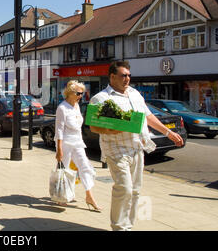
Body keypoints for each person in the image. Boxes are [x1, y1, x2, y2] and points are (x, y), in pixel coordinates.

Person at [89, 61, 184, 231]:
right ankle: (119, 227)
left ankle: (128, 226)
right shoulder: (101, 98)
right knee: (124, 188)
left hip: (137, 147)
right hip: (116, 149)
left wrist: (169, 133)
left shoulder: (135, 94)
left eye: (129, 75)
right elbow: (94, 126)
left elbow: (148, 116)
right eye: (123, 75)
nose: (127, 78)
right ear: (112, 76)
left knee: (135, 191)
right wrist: (111, 130)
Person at [54, 80, 102, 212]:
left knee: (85, 167)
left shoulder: (77, 106)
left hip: (78, 142)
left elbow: (78, 128)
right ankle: (61, 195)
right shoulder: (62, 108)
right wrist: (59, 150)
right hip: (66, 143)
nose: (81, 96)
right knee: (64, 171)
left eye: (82, 93)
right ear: (70, 93)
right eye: (79, 93)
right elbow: (59, 130)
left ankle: (89, 197)